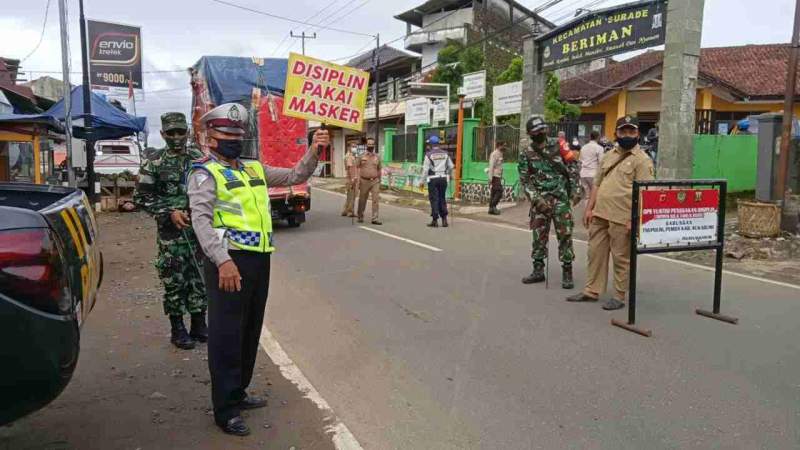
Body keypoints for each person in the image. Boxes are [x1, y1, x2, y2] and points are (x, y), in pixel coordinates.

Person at [186, 103, 326, 436]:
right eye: (226, 134)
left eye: (238, 134)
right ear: (210, 137)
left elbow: (295, 176)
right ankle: (225, 409)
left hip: (259, 259)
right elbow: (201, 222)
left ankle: (239, 391)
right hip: (229, 263)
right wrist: (223, 261)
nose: (233, 139)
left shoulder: (253, 169)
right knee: (225, 335)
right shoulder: (204, 173)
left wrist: (315, 149)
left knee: (250, 329)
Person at [134, 112, 207, 350]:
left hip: (199, 231)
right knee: (174, 279)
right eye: (171, 133)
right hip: (171, 235)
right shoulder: (154, 162)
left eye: (181, 132)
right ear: (163, 134)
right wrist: (169, 212)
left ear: (187, 132)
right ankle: (178, 329)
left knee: (199, 277)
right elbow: (141, 197)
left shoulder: (199, 159)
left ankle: (199, 324)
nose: (177, 137)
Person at [567, 116, 655, 310]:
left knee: (622, 257)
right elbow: (597, 184)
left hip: (623, 218)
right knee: (595, 253)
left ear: (637, 134)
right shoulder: (608, 156)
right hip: (600, 214)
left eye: (631, 131)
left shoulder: (642, 160)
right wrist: (589, 208)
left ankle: (619, 295)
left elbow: (645, 193)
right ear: (616, 133)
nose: (627, 135)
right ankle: (591, 290)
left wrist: (636, 219)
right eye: (623, 131)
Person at [519, 115, 582, 288]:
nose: (540, 133)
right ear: (530, 134)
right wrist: (536, 199)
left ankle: (567, 272)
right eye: (536, 131)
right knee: (538, 236)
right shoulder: (526, 152)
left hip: (560, 198)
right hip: (540, 202)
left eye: (542, 130)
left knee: (565, 235)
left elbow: (573, 167)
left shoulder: (559, 144)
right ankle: (538, 270)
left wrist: (576, 190)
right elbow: (525, 180)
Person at [419, 135, 454, 227]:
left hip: (433, 179)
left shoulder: (428, 155)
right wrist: (450, 176)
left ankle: (435, 220)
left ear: (431, 144)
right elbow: (451, 166)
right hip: (443, 179)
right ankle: (444, 220)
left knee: (434, 199)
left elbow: (425, 170)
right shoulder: (445, 154)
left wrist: (422, 182)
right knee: (442, 198)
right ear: (438, 144)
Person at [356, 137, 382, 225]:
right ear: (366, 145)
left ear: (374, 145)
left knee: (375, 200)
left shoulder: (377, 156)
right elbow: (357, 168)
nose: (370, 146)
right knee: (362, 199)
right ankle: (360, 216)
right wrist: (357, 181)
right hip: (364, 181)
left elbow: (379, 169)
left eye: (372, 144)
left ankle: (375, 218)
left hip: (375, 181)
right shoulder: (361, 156)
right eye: (369, 144)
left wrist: (379, 180)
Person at [579, 131, 604, 202]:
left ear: (590, 137)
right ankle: (593, 212)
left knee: (587, 196)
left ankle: (586, 212)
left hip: (583, 174)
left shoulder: (583, 147)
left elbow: (580, 161)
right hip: (593, 174)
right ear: (598, 137)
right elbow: (601, 162)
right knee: (595, 196)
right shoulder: (599, 148)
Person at [341, 143, 359, 217]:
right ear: (349, 147)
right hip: (351, 179)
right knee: (352, 195)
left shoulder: (352, 156)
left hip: (350, 178)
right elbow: (350, 168)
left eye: (355, 147)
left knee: (349, 195)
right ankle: (350, 211)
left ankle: (345, 210)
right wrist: (353, 178)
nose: (354, 148)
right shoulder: (349, 157)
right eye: (353, 146)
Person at [488, 142, 505, 215]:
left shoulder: (501, 153)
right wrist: (490, 178)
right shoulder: (494, 154)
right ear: (499, 146)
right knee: (499, 191)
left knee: (494, 192)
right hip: (494, 176)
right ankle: (493, 206)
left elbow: (500, 166)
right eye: (503, 145)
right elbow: (491, 166)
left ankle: (491, 209)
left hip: (498, 176)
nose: (505, 147)